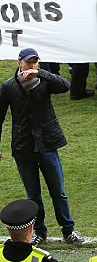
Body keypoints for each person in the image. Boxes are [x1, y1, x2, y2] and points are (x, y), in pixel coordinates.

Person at [0, 48, 84, 245]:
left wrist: (41, 73)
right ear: (19, 63)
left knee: (59, 192)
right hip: (23, 148)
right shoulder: (8, 87)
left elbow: (66, 85)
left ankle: (68, 230)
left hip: (46, 145)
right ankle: (39, 231)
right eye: (28, 62)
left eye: (35, 62)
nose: (31, 65)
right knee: (33, 196)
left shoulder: (44, 81)